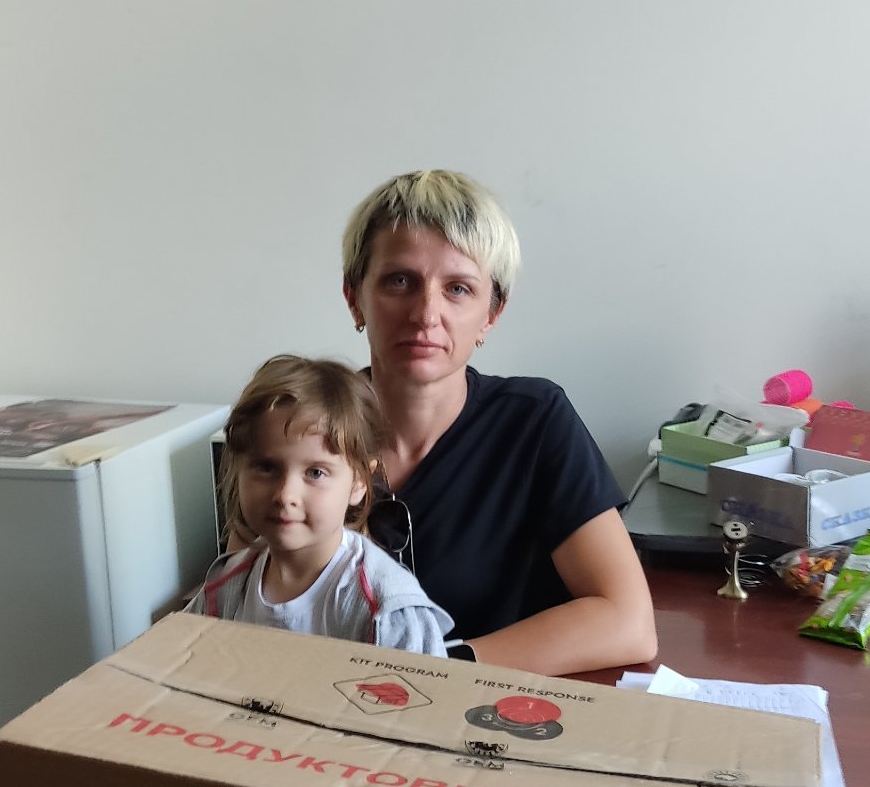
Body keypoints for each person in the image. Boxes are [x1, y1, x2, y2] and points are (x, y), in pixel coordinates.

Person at [341, 170, 657, 675]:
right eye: (400, 281)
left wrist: (438, 669)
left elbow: (628, 622)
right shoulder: (307, 427)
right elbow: (248, 605)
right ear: (354, 296)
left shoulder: (534, 420)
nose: (426, 314)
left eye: (458, 289)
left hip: (491, 704)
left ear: (491, 314)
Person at [187, 355, 452, 655]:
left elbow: (421, 684)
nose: (286, 495)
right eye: (266, 467)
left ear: (359, 483)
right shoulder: (225, 588)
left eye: (315, 473)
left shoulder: (387, 610)